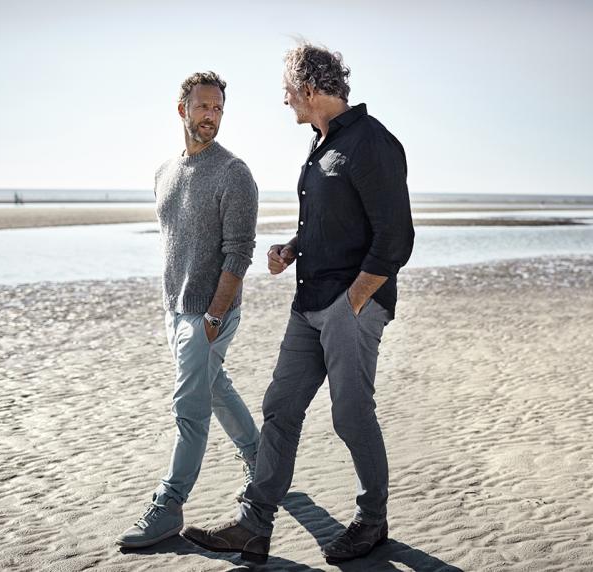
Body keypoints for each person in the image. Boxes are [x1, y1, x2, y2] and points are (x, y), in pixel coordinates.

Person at [181, 43, 414, 564]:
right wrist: (294, 246)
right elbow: (337, 221)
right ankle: (253, 524)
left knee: (352, 416)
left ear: (309, 88)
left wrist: (352, 301)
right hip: (308, 304)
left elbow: (395, 239)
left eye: (288, 90)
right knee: (280, 408)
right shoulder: (322, 142)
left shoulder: (372, 143)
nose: (284, 99)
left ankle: (372, 521)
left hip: (352, 307)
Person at [116, 71, 261, 549]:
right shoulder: (164, 172)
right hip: (174, 309)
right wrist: (173, 310)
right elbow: (174, 245)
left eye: (218, 108)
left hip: (209, 312)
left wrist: (215, 316)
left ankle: (169, 504)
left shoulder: (233, 173)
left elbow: (239, 253)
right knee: (213, 386)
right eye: (203, 107)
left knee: (189, 407)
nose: (211, 116)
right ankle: (263, 462)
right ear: (182, 110)